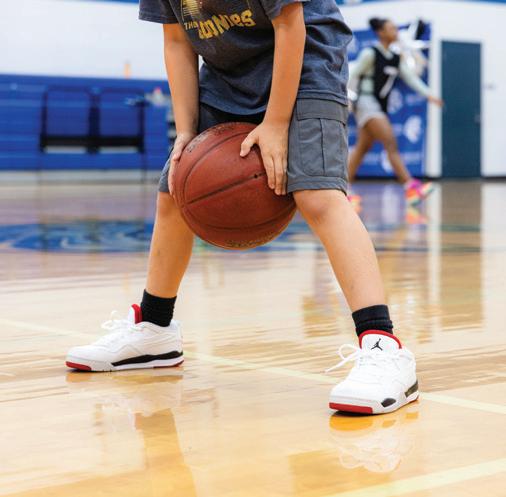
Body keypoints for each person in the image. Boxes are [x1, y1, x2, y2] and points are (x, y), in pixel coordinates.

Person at [66, 1, 418, 415]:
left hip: (307, 60)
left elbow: (290, 24)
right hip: (227, 74)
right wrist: (186, 132)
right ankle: (155, 327)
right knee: (176, 190)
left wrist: (276, 123)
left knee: (318, 196)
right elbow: (177, 39)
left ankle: (382, 345)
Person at [348, 17, 443, 206]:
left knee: (362, 148)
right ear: (381, 32)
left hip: (378, 105)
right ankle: (410, 187)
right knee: (390, 141)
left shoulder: (395, 57)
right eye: (391, 28)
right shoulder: (370, 53)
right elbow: (352, 74)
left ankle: (342, 190)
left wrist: (430, 95)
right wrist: (347, 99)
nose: (396, 31)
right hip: (366, 103)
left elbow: (411, 79)